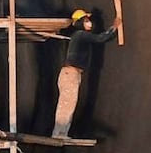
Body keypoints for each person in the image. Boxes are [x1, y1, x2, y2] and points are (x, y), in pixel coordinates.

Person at [52, 9, 122, 138]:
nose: (89, 23)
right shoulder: (80, 35)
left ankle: (61, 133)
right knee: (67, 104)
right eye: (86, 20)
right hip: (70, 74)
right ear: (79, 23)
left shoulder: (80, 37)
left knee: (69, 104)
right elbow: (100, 38)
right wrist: (114, 27)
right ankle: (58, 134)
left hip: (70, 74)